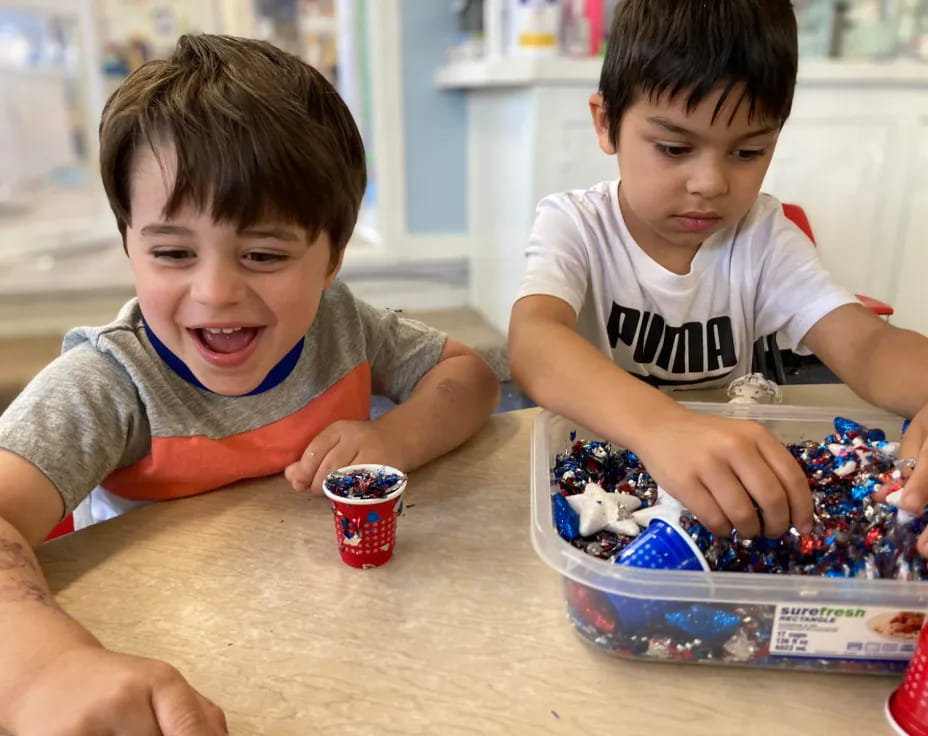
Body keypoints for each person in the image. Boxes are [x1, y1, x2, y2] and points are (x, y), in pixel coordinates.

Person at [0, 34, 499, 734]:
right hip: (157, 666)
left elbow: (469, 374)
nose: (215, 291)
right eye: (172, 252)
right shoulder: (109, 383)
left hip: (342, 652)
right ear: (128, 244)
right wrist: (44, 670)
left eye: (263, 254)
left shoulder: (341, 326)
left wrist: (394, 437)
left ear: (332, 259)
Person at [509, 0, 928, 552]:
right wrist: (662, 426)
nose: (710, 182)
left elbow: (869, 346)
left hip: (726, 483)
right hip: (595, 475)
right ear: (606, 123)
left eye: (748, 152)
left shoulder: (762, 238)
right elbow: (534, 341)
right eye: (673, 148)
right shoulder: (576, 223)